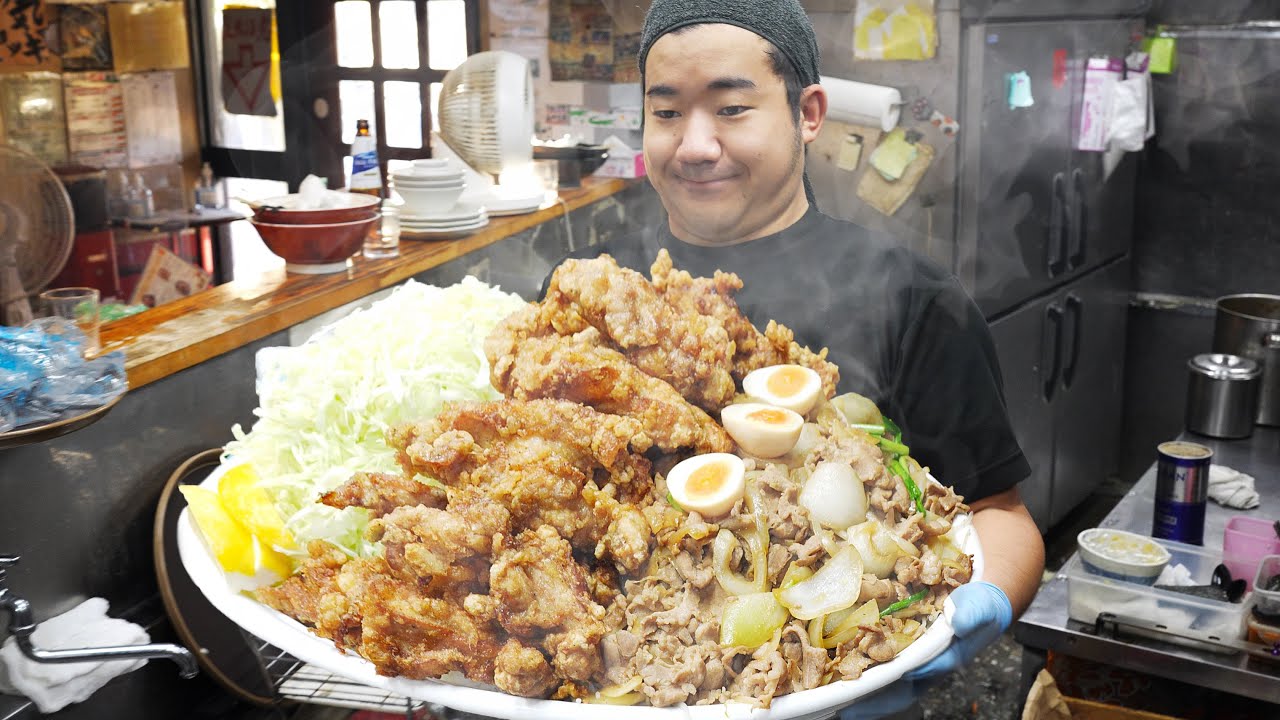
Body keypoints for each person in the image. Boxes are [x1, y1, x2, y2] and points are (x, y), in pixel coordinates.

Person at [548, 0, 1045, 716]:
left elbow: (1001, 511)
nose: (693, 144)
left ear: (809, 113)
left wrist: (985, 600)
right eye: (665, 113)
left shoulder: (913, 298)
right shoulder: (588, 295)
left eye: (730, 109)